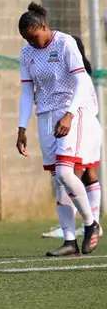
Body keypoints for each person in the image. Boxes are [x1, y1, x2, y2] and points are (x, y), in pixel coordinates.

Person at [16, 2, 101, 256]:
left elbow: (82, 81)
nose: (31, 42)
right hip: (44, 116)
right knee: (58, 179)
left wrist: (69, 115)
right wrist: (21, 127)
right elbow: (26, 92)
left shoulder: (65, 43)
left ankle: (91, 223)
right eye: (26, 39)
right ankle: (69, 241)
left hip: (68, 113)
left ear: (44, 27)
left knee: (66, 172)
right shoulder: (26, 53)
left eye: (34, 37)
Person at [40, 36, 102, 251]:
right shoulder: (71, 75)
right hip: (83, 127)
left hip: (83, 127)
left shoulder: (79, 77)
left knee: (69, 174)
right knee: (74, 175)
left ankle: (88, 224)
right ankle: (83, 227)